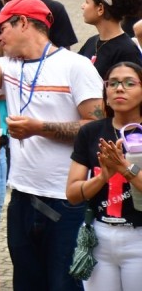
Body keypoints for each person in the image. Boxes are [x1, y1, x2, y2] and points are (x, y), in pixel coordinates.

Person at [0, 0, 105, 291]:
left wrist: (40, 128)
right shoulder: (9, 66)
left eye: (3, 28)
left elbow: (97, 127)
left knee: (64, 284)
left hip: (66, 199)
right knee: (26, 283)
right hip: (23, 195)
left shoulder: (75, 66)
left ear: (23, 22)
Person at [67, 62, 142, 291]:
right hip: (100, 236)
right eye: (113, 83)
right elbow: (72, 194)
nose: (120, 88)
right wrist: (102, 178)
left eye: (129, 83)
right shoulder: (91, 132)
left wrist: (125, 168)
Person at [78, 0, 142, 79]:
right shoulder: (91, 42)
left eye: (87, 2)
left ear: (100, 9)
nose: (82, 6)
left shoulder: (127, 51)